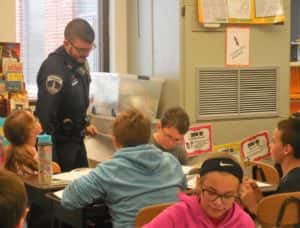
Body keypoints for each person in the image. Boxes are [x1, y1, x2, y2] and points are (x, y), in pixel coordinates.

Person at [61, 108, 186, 228]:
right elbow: (183, 191)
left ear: (115, 141)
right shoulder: (172, 162)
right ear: (148, 137)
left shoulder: (109, 170)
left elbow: (68, 199)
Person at [36, 18, 98, 172]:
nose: (86, 55)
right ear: (66, 44)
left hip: (76, 140)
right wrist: (51, 160)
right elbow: (46, 116)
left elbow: (74, 100)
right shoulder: (54, 68)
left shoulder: (79, 61)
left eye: (89, 49)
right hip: (59, 144)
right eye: (81, 50)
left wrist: (84, 124)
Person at [144, 155, 255, 228]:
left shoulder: (243, 222)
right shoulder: (178, 214)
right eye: (211, 192)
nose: (218, 202)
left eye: (228, 196)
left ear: (237, 192)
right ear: (199, 184)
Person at [240, 113, 300, 216]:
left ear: (286, 149)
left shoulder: (291, 185)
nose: (269, 145)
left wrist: (253, 206)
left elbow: (279, 223)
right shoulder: (291, 177)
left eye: (273, 141)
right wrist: (259, 198)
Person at [3, 110, 60, 176]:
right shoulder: (31, 156)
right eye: (35, 119)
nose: (38, 120)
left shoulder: (8, 153)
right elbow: (54, 170)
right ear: (30, 131)